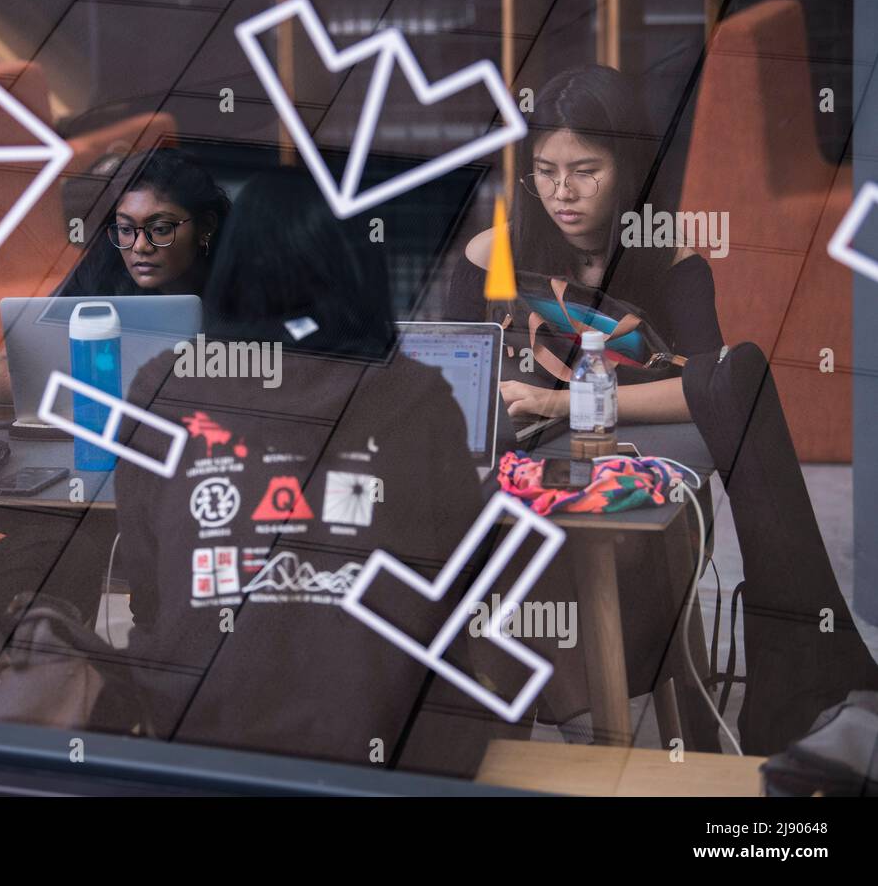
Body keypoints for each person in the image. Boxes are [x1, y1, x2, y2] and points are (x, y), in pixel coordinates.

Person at [107, 171, 524, 774]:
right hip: (385, 748)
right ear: (357, 267)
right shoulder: (414, 395)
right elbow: (463, 577)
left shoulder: (161, 387)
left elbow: (146, 588)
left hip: (198, 745)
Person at [445, 64, 724, 422]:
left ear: (629, 168)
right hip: (521, 456)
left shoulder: (674, 264)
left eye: (585, 172)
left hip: (642, 456)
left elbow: (710, 389)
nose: (563, 192)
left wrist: (564, 403)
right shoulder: (489, 256)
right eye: (546, 172)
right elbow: (450, 383)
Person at [56, 147, 230, 297]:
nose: (140, 246)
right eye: (125, 229)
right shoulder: (98, 280)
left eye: (160, 229)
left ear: (206, 227)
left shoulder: (242, 295)